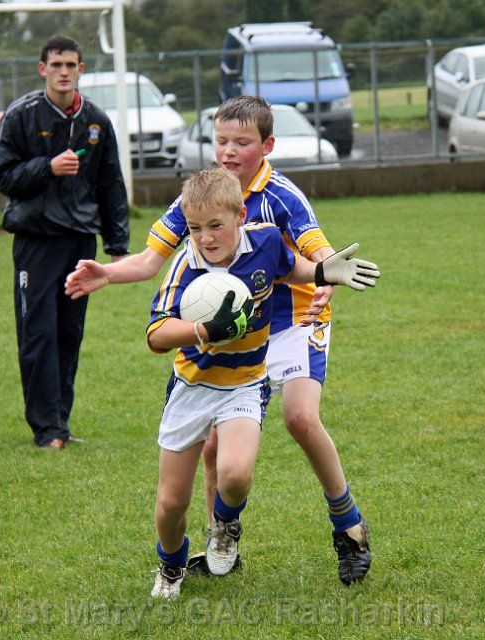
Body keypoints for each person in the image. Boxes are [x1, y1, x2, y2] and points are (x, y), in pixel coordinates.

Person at [65, 96, 373, 585]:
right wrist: (108, 272)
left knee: (299, 418)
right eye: (221, 140)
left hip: (293, 316)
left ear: (267, 146)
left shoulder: (282, 196)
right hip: (232, 326)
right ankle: (221, 539)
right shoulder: (203, 197)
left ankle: (349, 527)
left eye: (241, 142)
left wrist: (326, 282)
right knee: (214, 446)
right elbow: (149, 261)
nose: (228, 151)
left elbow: (320, 255)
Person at [145, 167, 378, 598]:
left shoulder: (266, 241)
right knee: (171, 503)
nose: (205, 238)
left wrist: (323, 273)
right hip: (192, 387)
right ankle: (171, 563)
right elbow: (156, 334)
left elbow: (291, 268)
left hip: (245, 384)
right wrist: (202, 330)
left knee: (235, 473)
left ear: (240, 217)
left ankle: (225, 524)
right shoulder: (186, 265)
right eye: (195, 228)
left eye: (215, 226)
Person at [0, 35, 129, 449]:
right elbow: (1, 176)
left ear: (81, 69)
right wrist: (46, 167)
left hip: (80, 241)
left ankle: (60, 424)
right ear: (42, 69)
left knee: (70, 332)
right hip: (36, 241)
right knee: (39, 333)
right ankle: (45, 428)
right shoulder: (21, 116)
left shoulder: (96, 121)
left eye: (71, 65)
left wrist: (116, 243)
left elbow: (110, 184)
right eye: (56, 65)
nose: (64, 72)